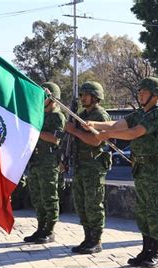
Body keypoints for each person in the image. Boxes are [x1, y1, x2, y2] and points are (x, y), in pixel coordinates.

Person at [88, 77, 158, 268]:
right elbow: (118, 126)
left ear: (154, 94)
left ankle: (156, 253)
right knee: (143, 211)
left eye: (144, 92)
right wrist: (95, 124)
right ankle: (146, 250)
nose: (140, 94)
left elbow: (133, 133)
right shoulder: (141, 113)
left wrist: (106, 135)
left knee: (156, 210)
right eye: (139, 91)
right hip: (141, 168)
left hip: (156, 169)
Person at [64, 81, 112, 254]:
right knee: (81, 203)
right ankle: (87, 237)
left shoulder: (100, 115)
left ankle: (96, 240)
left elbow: (96, 140)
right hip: (80, 164)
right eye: (82, 94)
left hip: (93, 165)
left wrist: (74, 130)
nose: (83, 98)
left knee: (93, 203)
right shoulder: (81, 114)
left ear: (95, 97)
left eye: (86, 94)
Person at [23, 82, 66, 244]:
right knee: (37, 197)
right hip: (35, 160)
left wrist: (36, 132)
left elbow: (56, 139)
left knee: (49, 197)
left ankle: (50, 230)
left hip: (49, 162)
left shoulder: (57, 116)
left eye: (44, 97)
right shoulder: (37, 115)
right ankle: (41, 227)